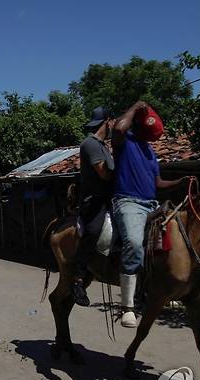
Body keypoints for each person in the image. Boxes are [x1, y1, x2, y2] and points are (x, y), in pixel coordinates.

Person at [111, 102, 188, 327]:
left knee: (171, 246)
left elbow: (158, 183)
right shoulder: (124, 141)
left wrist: (180, 182)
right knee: (134, 244)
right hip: (128, 202)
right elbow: (117, 129)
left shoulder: (151, 152)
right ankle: (127, 306)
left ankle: (162, 293)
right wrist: (134, 107)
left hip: (151, 203)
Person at [72, 106, 115, 307]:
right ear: (108, 121)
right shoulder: (90, 144)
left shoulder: (104, 147)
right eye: (113, 122)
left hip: (110, 199)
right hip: (93, 201)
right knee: (94, 229)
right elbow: (104, 174)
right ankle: (78, 279)